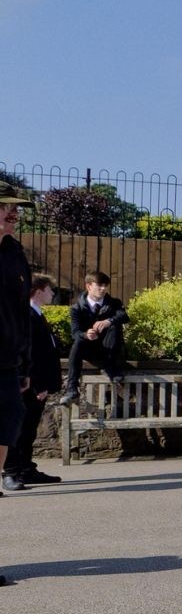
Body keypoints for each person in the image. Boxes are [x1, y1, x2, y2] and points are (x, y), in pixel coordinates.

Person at [4, 274, 63, 490]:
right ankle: (11, 471)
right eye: (50, 290)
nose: (53, 294)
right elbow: (29, 353)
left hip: (38, 384)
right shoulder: (27, 315)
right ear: (38, 291)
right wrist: (37, 383)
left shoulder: (36, 314)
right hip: (31, 385)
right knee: (19, 430)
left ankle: (26, 468)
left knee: (29, 430)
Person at [1, 182, 35, 510]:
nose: (14, 213)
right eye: (6, 206)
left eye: (16, 208)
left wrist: (25, 363)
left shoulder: (15, 253)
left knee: (10, 417)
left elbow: (21, 313)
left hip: (7, 360)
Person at [63, 270, 129, 403]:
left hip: (109, 349)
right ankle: (71, 388)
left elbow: (124, 316)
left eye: (105, 285)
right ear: (88, 286)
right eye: (99, 285)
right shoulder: (77, 308)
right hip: (88, 349)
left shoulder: (113, 303)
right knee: (78, 342)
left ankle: (111, 369)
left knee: (114, 326)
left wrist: (108, 321)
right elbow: (75, 332)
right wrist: (86, 334)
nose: (103, 289)